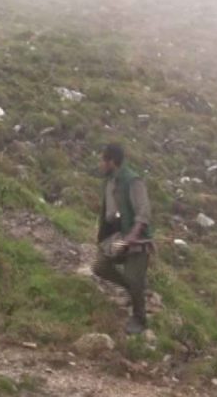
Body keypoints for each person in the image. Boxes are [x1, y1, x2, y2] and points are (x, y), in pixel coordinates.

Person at [92, 143, 153, 335]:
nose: (100, 164)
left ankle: (139, 318)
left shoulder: (133, 181)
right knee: (101, 266)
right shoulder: (110, 181)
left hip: (135, 243)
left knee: (135, 278)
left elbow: (143, 213)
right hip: (118, 238)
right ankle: (135, 291)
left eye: (103, 160)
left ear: (111, 161)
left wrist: (131, 237)